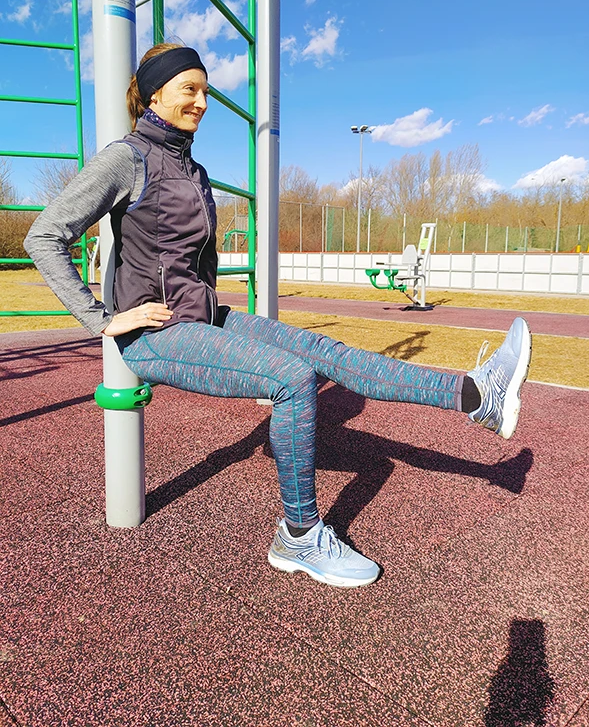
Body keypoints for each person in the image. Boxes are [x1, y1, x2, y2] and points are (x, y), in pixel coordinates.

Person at [24, 43, 532, 589]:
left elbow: (197, 258)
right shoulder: (126, 158)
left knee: (323, 352)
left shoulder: (191, 168)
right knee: (294, 381)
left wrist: (214, 314)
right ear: (154, 94)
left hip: (202, 317)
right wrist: (102, 320)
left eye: (205, 90)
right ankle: (299, 535)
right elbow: (44, 235)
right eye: (188, 89)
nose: (202, 101)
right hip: (155, 333)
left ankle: (478, 396)